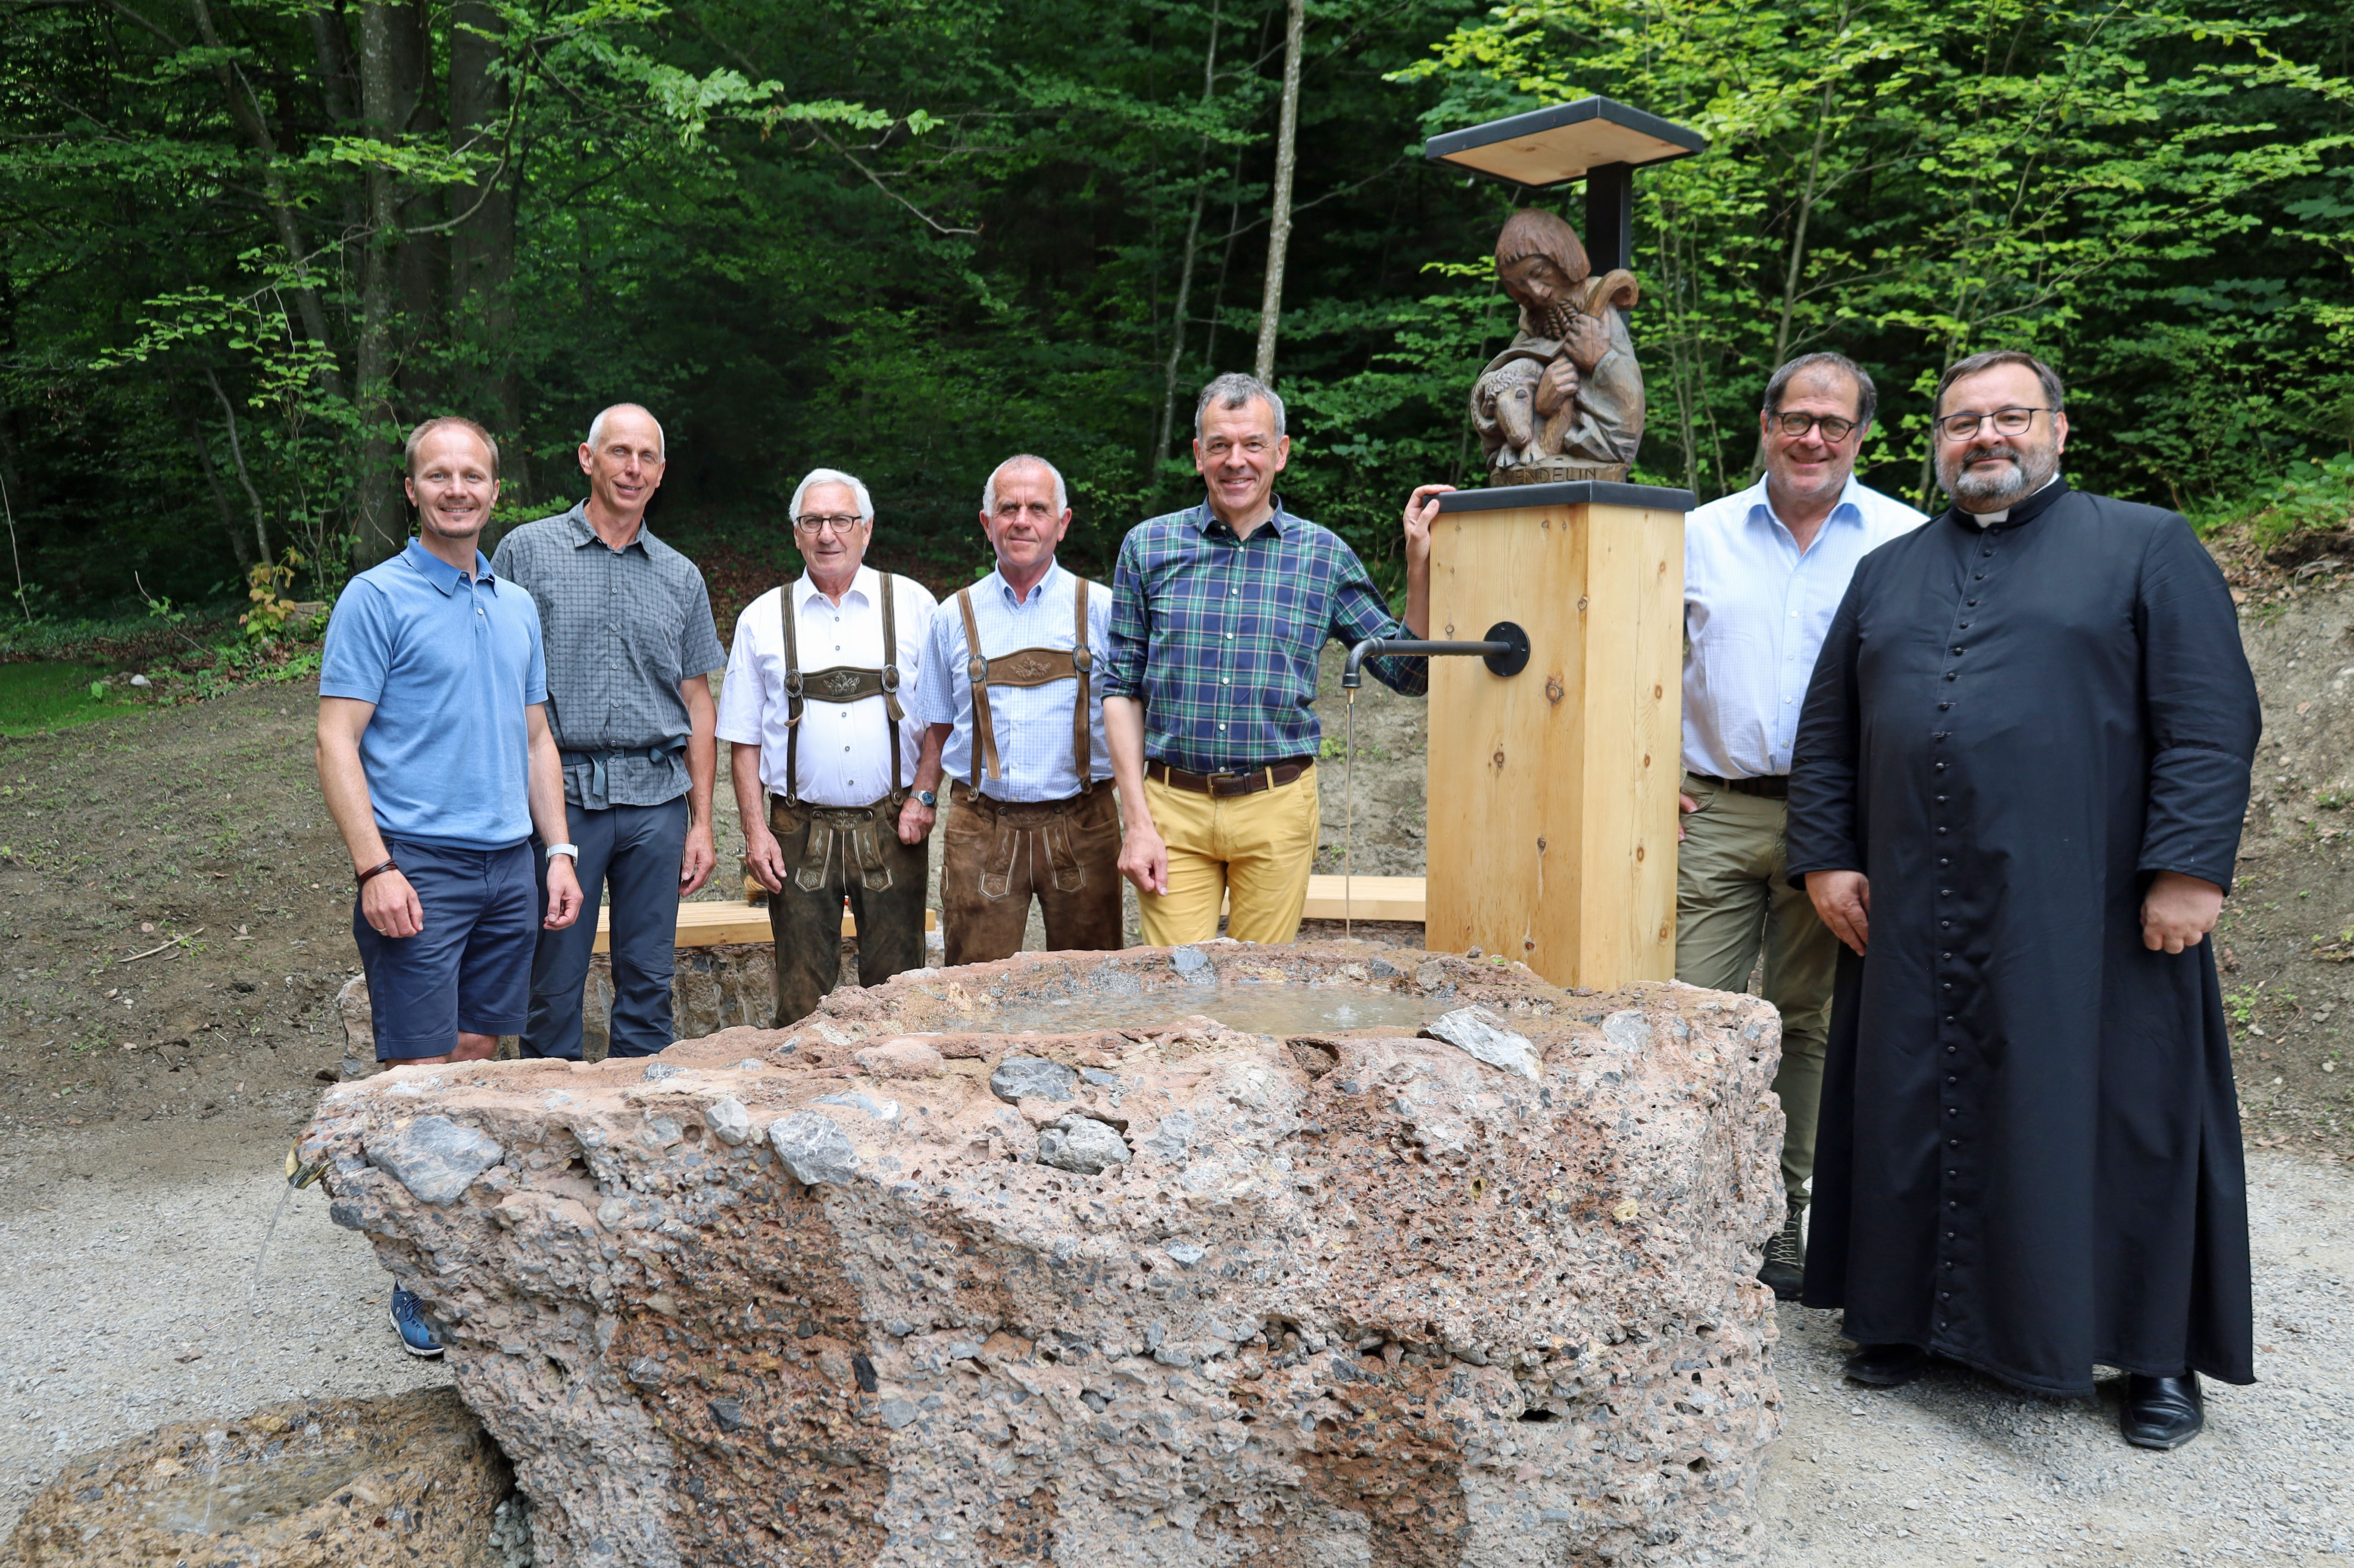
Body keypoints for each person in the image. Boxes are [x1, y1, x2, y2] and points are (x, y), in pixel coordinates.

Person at [1787, 349, 2260, 1449]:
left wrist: (2189, 867)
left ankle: (2151, 1352)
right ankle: (1902, 1316)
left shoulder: (2147, 544)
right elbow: (1826, 731)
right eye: (1962, 422)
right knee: (1911, 1098)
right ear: (1937, 441)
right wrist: (1826, 854)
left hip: (2091, 906)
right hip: (1909, 897)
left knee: (2124, 1115)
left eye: (2010, 417)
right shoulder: (1889, 569)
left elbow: (2209, 718)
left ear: (2058, 428)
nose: (1985, 437)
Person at [315, 415, 584, 1358]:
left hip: (510, 862)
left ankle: (460, 1243)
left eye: (473, 475)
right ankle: (420, 1277)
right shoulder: (375, 598)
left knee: (476, 1051)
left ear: (495, 491)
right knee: (420, 1073)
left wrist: (559, 852)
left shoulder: (512, 603)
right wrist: (374, 865)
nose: (458, 489)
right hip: (417, 865)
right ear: (413, 490)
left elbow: (537, 738)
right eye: (440, 475)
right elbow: (336, 739)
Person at [1676, 352, 1926, 1301]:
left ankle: (1780, 1221)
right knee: (1687, 1013)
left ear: (1862, 435)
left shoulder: (1907, 540)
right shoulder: (1696, 535)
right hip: (1715, 806)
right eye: (1796, 419)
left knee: (1808, 1025)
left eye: (1834, 423)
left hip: (1840, 823)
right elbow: (1640, 655)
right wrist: (1652, 765)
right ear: (1767, 423)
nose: (1813, 438)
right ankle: (1687, 1209)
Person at [1104, 372, 1444, 946]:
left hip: (1276, 808)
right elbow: (1119, 690)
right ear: (1198, 455)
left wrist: (1419, 561)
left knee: (1260, 995)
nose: (1236, 461)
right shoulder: (1148, 547)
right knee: (1175, 996)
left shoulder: (1323, 556)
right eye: (1220, 445)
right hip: (1172, 810)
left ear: (1280, 453)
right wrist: (1137, 824)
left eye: (1252, 444)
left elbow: (1408, 672)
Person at [490, 404, 724, 1061]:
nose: (633, 468)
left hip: (656, 801)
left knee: (650, 978)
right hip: (561, 796)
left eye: (647, 457)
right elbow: (495, 677)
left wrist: (701, 822)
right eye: (619, 452)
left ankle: (639, 1123)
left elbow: (697, 703)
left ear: (661, 473)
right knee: (553, 978)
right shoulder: (527, 553)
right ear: (587, 459)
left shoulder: (680, 575)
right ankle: (549, 1117)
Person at [718, 468, 938, 1025]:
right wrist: (755, 829)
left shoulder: (914, 606)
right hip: (796, 831)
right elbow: (741, 737)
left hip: (895, 826)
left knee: (899, 998)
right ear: (796, 533)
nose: (827, 534)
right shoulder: (762, 617)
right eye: (812, 521)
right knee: (799, 1003)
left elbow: (943, 718)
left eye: (840, 519)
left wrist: (926, 795)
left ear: (865, 529)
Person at [907, 455, 1118, 964]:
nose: (1021, 519)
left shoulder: (1104, 610)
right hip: (981, 825)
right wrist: (922, 797)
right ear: (987, 523)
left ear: (1062, 523)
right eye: (1007, 508)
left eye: (1037, 508)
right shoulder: (952, 615)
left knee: (1091, 987)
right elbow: (938, 722)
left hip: (1084, 820)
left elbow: (1131, 717)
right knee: (973, 988)